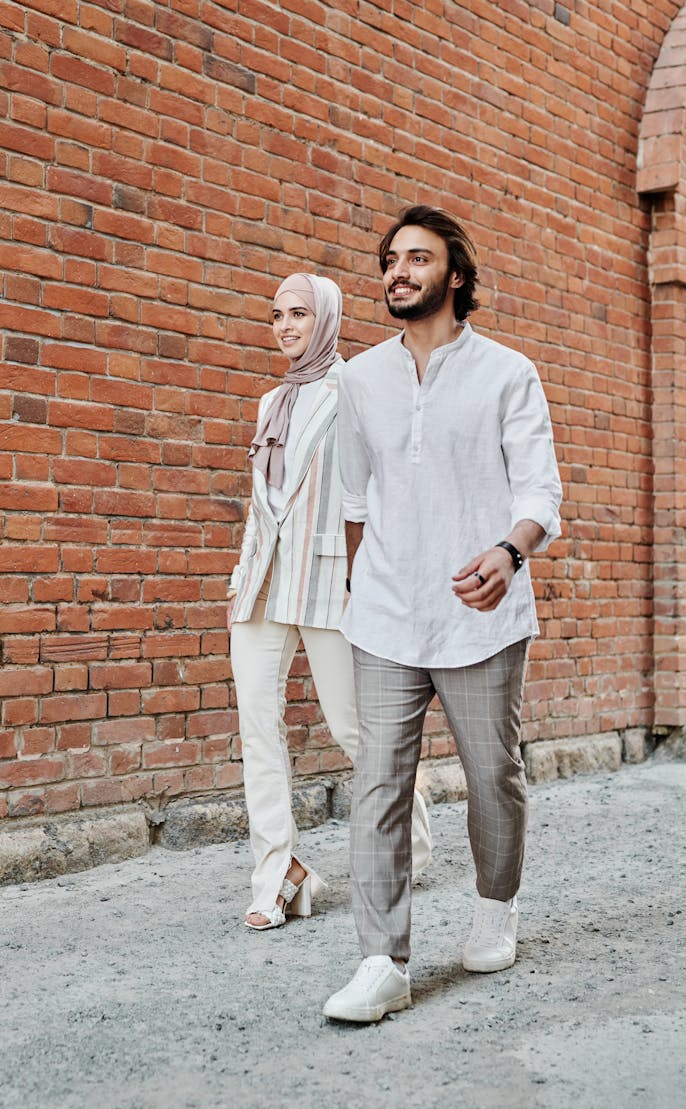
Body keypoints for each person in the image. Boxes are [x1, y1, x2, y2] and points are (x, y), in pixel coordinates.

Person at [323, 206, 563, 1021]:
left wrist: (508, 552)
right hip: (387, 614)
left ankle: (496, 906)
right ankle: (381, 960)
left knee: (494, 776)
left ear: (455, 275)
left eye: (416, 258)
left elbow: (540, 491)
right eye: (390, 259)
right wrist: (363, 584)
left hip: (481, 618)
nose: (398, 271)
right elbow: (356, 495)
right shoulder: (357, 379)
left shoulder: (507, 372)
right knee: (378, 784)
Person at [228, 272, 433, 932]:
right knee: (258, 727)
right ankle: (277, 873)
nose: (286, 325)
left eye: (298, 313)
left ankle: (415, 838)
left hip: (330, 584)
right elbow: (262, 510)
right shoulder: (270, 403)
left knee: (356, 729)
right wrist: (240, 576)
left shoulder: (357, 390)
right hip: (262, 585)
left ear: (325, 319)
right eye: (277, 314)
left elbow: (384, 488)